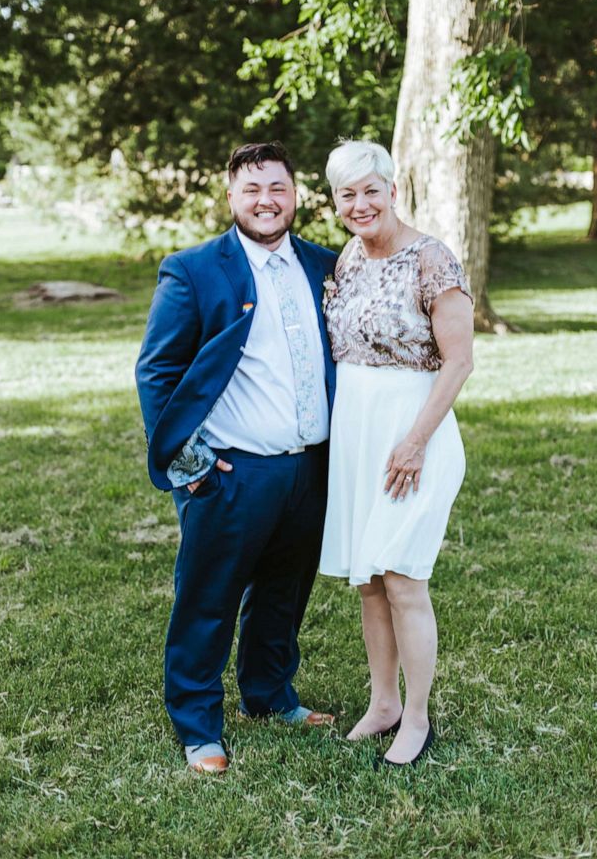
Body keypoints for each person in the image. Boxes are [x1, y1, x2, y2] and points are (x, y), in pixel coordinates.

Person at [135, 141, 337, 774]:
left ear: (295, 194)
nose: (265, 201)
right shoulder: (193, 270)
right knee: (209, 598)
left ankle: (270, 695)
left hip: (309, 467)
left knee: (284, 592)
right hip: (231, 469)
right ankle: (198, 724)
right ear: (231, 197)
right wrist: (190, 465)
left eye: (277, 187)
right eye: (251, 189)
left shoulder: (327, 265)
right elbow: (157, 370)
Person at [319, 140, 474, 768]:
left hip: (416, 432)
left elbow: (459, 360)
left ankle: (416, 717)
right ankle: (382, 702)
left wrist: (414, 441)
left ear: (391, 188)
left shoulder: (430, 258)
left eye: (370, 190)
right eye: (346, 194)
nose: (360, 204)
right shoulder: (348, 261)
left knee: (404, 577)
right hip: (359, 434)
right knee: (370, 582)